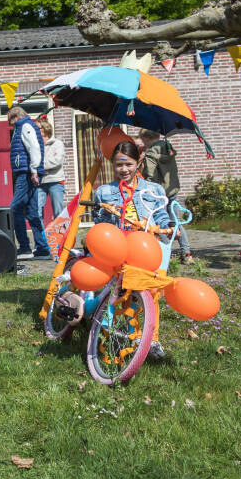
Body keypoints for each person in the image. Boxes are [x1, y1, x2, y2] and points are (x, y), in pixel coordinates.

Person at [94, 140, 171, 360]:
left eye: (128, 164)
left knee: (151, 292)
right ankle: (122, 333)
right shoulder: (104, 191)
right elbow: (100, 223)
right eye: (119, 165)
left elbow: (162, 217)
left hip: (146, 248)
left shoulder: (154, 190)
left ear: (138, 163)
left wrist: (165, 228)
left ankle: (150, 339)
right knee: (121, 292)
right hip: (119, 249)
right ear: (112, 165)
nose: (124, 170)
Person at [138, 129, 192, 263]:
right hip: (172, 190)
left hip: (159, 193)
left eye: (143, 140)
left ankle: (167, 251)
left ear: (147, 139)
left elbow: (150, 175)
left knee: (157, 222)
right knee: (176, 222)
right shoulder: (168, 147)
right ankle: (186, 253)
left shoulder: (151, 153)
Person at [7, 106, 50, 259]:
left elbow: (34, 148)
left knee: (15, 209)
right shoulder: (28, 126)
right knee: (32, 212)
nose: (11, 125)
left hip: (26, 174)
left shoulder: (24, 126)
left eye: (10, 121)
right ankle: (43, 247)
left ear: (15, 117)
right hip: (27, 172)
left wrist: (33, 170)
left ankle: (24, 247)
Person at [36, 119, 66, 219]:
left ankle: (60, 235)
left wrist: (40, 166)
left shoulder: (57, 144)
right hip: (40, 182)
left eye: (37, 128)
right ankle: (41, 235)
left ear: (44, 130)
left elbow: (57, 162)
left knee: (58, 213)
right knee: (36, 211)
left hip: (55, 181)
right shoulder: (36, 146)